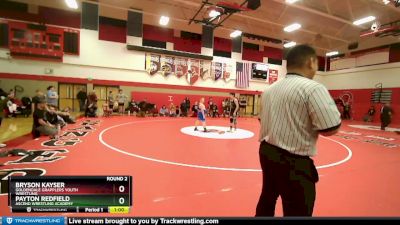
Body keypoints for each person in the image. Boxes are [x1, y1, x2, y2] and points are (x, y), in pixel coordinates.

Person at [256, 45, 341, 217]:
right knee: (298, 209)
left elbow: (260, 119)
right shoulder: (314, 88)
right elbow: (330, 127)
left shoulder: (269, 90)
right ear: (311, 62)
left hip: (267, 153)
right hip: (293, 162)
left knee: (267, 198)